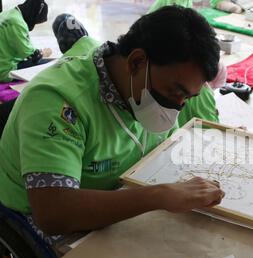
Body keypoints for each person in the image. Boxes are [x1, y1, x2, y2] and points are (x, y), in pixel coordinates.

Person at [0, 7, 224, 237]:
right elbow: (54, 213)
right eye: (175, 92)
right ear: (136, 62)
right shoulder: (57, 102)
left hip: (120, 196)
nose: (177, 106)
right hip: (37, 221)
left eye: (187, 97)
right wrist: (159, 196)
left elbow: (166, 151)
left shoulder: (139, 88)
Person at [0, 0, 52, 82]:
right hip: (5, 72)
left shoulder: (6, 14)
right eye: (36, 20)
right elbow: (32, 56)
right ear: (34, 14)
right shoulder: (18, 23)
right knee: (53, 64)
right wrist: (43, 53)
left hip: (3, 63)